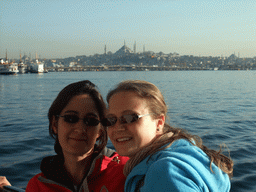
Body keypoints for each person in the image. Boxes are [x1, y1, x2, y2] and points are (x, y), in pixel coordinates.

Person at [102, 80, 233, 192]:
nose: (118, 127)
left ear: (159, 122)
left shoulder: (163, 172)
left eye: (130, 118)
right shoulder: (187, 151)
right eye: (111, 120)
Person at [1, 80, 129, 192]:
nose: (80, 129)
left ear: (100, 130)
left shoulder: (127, 171)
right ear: (55, 124)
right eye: (70, 118)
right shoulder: (38, 186)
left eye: (91, 120)